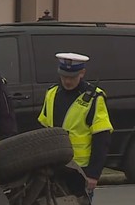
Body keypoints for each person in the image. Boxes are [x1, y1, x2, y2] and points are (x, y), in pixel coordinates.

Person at [38, 53, 113, 194]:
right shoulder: (51, 93)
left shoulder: (94, 97)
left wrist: (93, 174)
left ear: (82, 73)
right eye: (64, 76)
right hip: (55, 166)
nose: (67, 81)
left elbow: (102, 139)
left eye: (72, 77)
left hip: (80, 170)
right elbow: (44, 130)